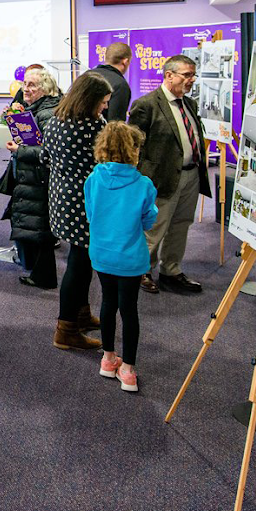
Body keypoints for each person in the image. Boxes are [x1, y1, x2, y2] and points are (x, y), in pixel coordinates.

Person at [85, 121, 159, 393]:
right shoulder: (143, 184)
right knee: (129, 310)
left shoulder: (93, 179)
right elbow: (149, 220)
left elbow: (91, 215)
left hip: (102, 254)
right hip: (130, 258)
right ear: (133, 150)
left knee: (107, 302)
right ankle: (127, 369)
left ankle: (107, 358)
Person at [127, 54, 210, 295]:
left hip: (190, 176)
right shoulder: (147, 104)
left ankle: (171, 270)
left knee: (181, 224)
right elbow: (134, 147)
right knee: (155, 228)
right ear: (169, 75)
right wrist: (141, 180)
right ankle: (143, 270)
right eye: (186, 75)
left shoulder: (189, 104)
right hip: (160, 179)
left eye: (193, 75)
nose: (191, 80)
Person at [44, 73, 114, 350]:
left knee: (80, 259)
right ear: (90, 100)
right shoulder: (92, 127)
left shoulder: (55, 121)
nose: (105, 107)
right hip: (85, 202)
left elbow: (46, 157)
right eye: (103, 102)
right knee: (80, 263)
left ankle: (81, 314)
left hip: (62, 199)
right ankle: (66, 327)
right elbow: (107, 163)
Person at [3, 66, 61, 290]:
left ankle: (43, 276)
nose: (25, 89)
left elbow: (48, 152)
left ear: (45, 89)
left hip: (39, 178)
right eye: (24, 84)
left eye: (32, 85)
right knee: (33, 223)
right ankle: (37, 271)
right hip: (31, 177)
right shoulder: (32, 108)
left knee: (40, 227)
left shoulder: (47, 114)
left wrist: (19, 150)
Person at [94, 42, 132, 122]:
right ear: (125, 61)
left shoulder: (86, 76)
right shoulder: (120, 85)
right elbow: (115, 124)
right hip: (102, 133)